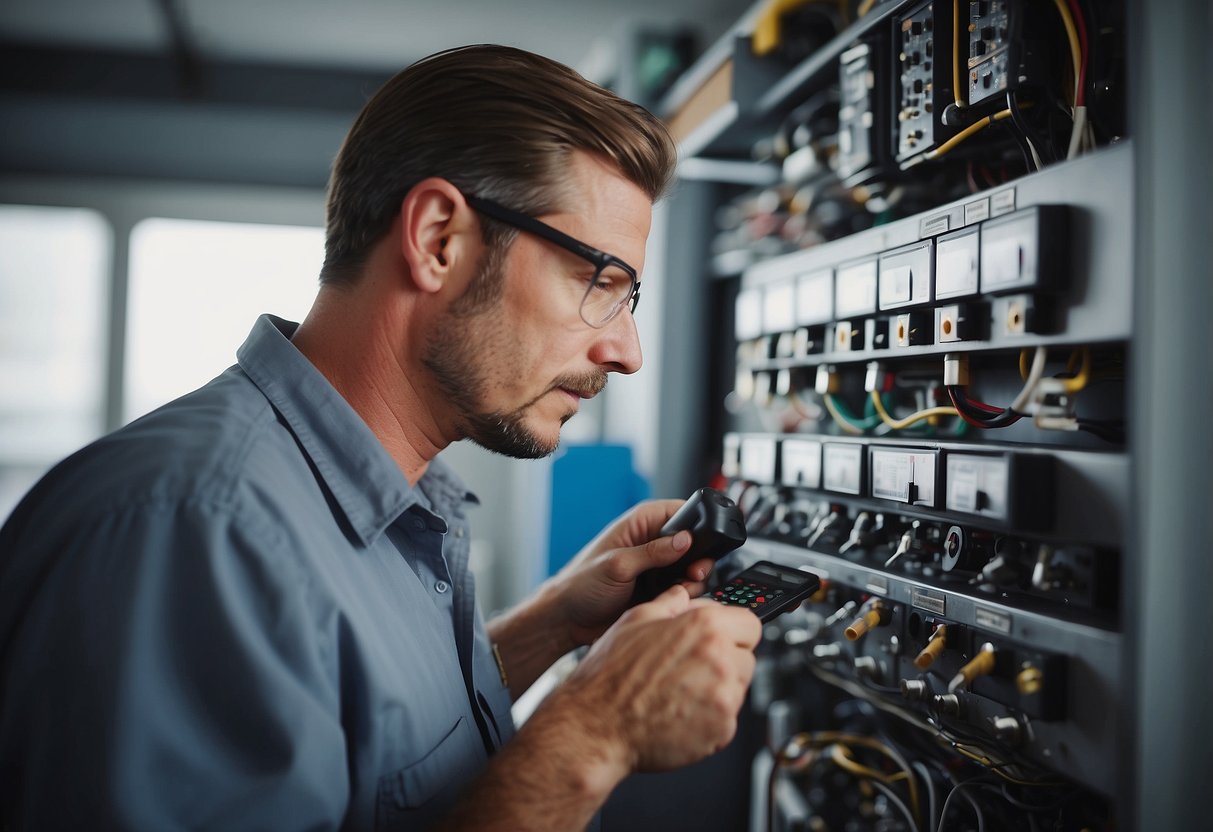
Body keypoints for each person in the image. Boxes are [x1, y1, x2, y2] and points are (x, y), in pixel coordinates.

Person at [0, 44, 762, 830]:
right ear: (438, 239)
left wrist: (554, 625)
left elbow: (371, 746)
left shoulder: (388, 499)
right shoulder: (195, 529)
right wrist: (596, 731)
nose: (626, 351)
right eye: (597, 283)